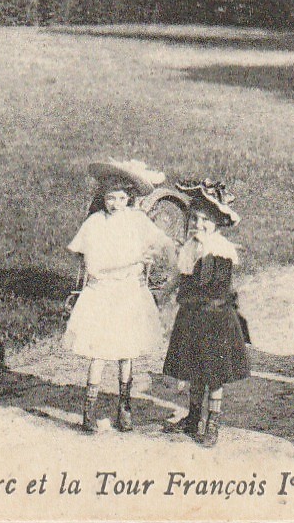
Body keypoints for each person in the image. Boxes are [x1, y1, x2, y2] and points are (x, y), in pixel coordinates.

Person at [63, 159, 177, 434]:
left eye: (122, 198)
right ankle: (89, 410)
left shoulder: (136, 220)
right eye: (110, 198)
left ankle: (124, 406)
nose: (116, 204)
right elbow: (94, 266)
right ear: (102, 198)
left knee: (127, 351)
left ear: (130, 198)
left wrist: (161, 252)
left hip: (129, 293)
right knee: (99, 352)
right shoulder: (95, 224)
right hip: (103, 293)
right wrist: (134, 258)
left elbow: (162, 241)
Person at [161, 180, 250, 447]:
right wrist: (166, 294)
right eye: (195, 219)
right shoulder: (192, 246)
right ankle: (192, 416)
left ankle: (212, 421)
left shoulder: (219, 249)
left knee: (213, 371)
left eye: (205, 220)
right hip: (193, 315)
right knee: (193, 367)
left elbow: (212, 285)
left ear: (217, 223)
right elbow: (182, 275)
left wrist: (188, 294)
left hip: (214, 317)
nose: (198, 224)